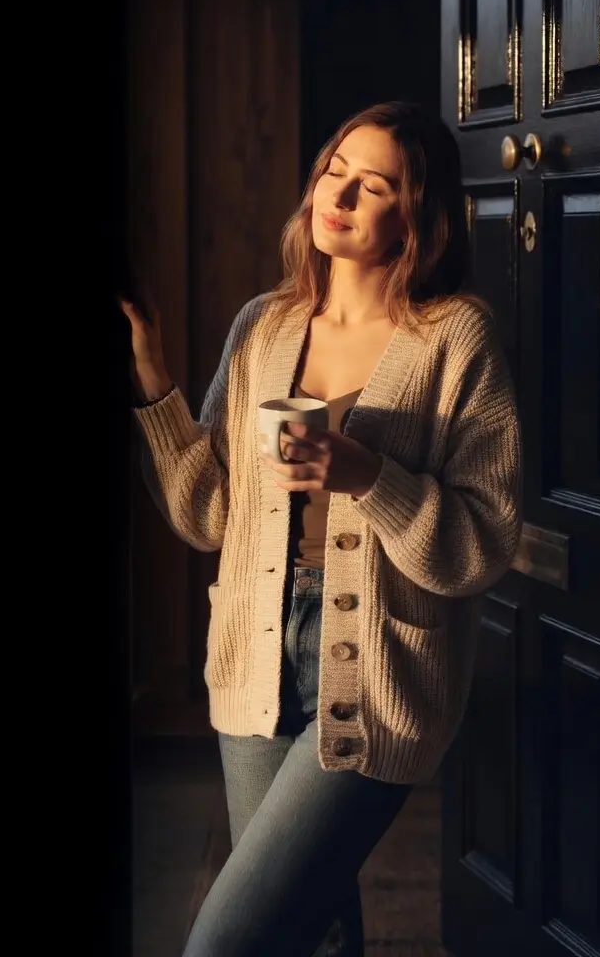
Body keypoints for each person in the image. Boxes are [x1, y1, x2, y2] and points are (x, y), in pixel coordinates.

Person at [121, 100, 522, 957]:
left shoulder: (456, 339)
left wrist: (366, 476)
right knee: (315, 934)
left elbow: (484, 542)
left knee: (226, 942)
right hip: (255, 657)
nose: (339, 194)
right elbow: (210, 517)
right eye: (334, 171)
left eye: (372, 184)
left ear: (419, 216)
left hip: (377, 667)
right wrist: (152, 376)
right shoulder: (264, 327)